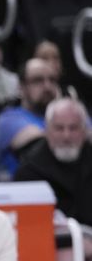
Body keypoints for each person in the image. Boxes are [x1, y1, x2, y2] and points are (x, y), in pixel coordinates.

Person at [14, 98, 92, 229]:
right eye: (59, 128)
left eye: (73, 128)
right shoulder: (29, 170)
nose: (66, 136)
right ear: (46, 130)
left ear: (84, 131)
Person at [0, 58, 59, 175]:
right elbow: (40, 148)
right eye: (38, 80)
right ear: (21, 86)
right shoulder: (9, 119)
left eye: (52, 80)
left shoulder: (68, 116)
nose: (47, 86)